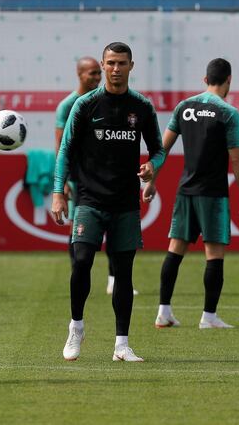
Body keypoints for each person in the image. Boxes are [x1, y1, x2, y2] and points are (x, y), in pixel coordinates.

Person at [52, 42, 165, 362]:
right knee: (82, 260)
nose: (116, 68)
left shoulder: (142, 107)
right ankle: (76, 327)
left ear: (132, 65)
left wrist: (152, 166)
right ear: (103, 65)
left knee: (123, 273)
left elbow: (159, 148)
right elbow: (65, 152)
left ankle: (121, 344)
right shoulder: (86, 104)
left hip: (125, 203)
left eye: (122, 63)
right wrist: (58, 192)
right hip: (89, 199)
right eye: (111, 63)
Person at [143, 58, 239, 329]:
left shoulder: (184, 107)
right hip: (213, 194)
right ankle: (209, 317)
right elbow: (236, 159)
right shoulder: (228, 113)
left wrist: (151, 181)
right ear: (229, 80)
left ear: (205, 80)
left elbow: (161, 149)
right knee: (213, 253)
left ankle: (163, 312)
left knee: (175, 249)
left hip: (185, 190)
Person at [55, 57, 138, 295]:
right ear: (79, 74)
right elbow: (61, 145)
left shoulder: (104, 101)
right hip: (78, 178)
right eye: (91, 73)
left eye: (96, 73)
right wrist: (63, 182)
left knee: (115, 227)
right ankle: (78, 275)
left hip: (103, 178)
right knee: (79, 233)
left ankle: (113, 277)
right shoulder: (68, 105)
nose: (96, 77)